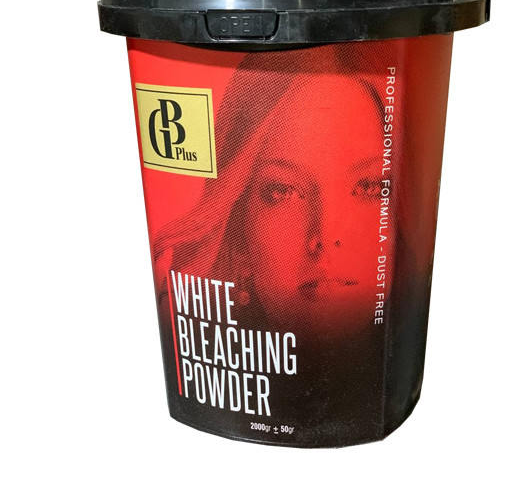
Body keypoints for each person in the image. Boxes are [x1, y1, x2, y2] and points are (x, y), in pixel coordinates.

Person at [152, 43, 424, 442]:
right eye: (283, 191)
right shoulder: (203, 367)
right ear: (240, 233)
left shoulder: (398, 386)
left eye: (368, 186)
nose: (326, 237)